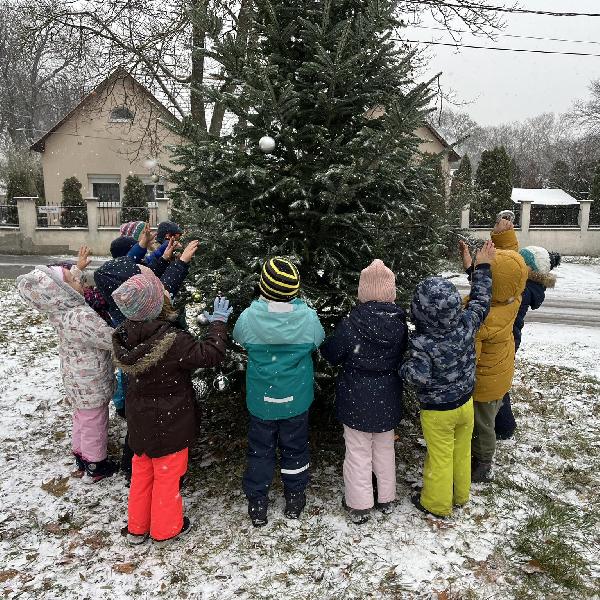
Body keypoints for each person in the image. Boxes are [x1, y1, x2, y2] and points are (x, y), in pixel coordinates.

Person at [112, 266, 231, 545]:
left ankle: (137, 528)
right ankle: (166, 529)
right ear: (155, 306)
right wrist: (218, 324)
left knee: (141, 471)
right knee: (167, 475)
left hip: (140, 421)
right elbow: (210, 354)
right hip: (170, 421)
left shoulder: (124, 336)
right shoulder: (173, 341)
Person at [401, 241, 494, 518]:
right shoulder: (467, 324)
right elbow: (480, 300)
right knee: (461, 450)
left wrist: (402, 367)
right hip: (466, 403)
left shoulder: (421, 342)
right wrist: (483, 267)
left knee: (439, 456)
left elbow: (416, 377)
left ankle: (437, 504)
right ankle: (460, 494)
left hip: (438, 412)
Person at [233, 257, 325, 527]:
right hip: (295, 400)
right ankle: (295, 496)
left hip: (262, 401)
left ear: (263, 287)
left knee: (260, 450)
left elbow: (239, 338)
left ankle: (258, 501)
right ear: (295, 291)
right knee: (295, 447)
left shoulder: (249, 317)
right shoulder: (307, 318)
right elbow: (317, 340)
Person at [16, 246, 118, 482]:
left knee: (82, 418)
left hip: (76, 380)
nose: (80, 281)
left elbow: (65, 285)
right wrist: (127, 335)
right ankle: (95, 466)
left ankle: (81, 456)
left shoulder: (59, 309)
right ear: (63, 291)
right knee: (95, 422)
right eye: (74, 279)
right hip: (91, 380)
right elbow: (108, 339)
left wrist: (77, 268)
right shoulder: (80, 316)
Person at [320, 259, 407, 524]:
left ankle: (359, 504)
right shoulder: (399, 324)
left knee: (357, 450)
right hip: (388, 396)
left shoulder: (351, 323)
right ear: (390, 293)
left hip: (356, 396)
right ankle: (386, 497)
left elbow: (332, 353)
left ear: (363, 292)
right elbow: (403, 354)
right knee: (384, 449)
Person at [464, 221, 558, 440]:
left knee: (493, 385)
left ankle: (503, 427)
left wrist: (477, 269)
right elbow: (501, 274)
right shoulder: (518, 289)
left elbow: (493, 283)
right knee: (498, 384)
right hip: (508, 338)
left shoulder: (518, 293)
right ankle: (503, 425)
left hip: (501, 339)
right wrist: (503, 238)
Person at [459, 222, 528, 483]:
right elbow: (513, 264)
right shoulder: (514, 296)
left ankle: (483, 462)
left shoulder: (486, 319)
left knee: (483, 425)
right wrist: (503, 236)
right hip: (500, 375)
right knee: (488, 418)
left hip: (484, 383)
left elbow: (474, 309)